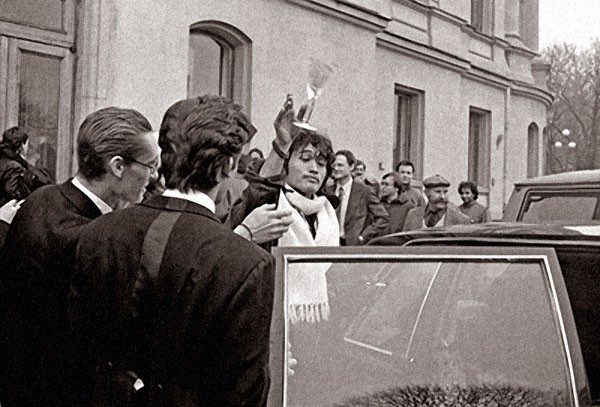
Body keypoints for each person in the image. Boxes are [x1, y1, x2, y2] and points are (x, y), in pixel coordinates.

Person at [71, 96, 274, 405]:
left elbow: (79, 350)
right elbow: (244, 391)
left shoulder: (101, 231)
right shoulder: (247, 263)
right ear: (228, 166)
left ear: (164, 158)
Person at [0, 107, 159, 406]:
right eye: (150, 165)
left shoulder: (40, 199)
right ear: (118, 166)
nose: (154, 176)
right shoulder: (98, 237)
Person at [157, 96, 293, 243]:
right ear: (226, 166)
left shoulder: (139, 219)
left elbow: (255, 198)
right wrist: (244, 235)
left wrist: (281, 145)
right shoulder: (210, 214)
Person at [326, 150, 388, 245]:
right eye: (334, 166)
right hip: (330, 244)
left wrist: (363, 236)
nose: (336, 168)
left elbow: (382, 218)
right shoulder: (327, 191)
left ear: (351, 167)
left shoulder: (364, 191)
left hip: (353, 245)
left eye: (340, 165)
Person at [0, 126, 52, 206]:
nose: (28, 149)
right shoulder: (13, 166)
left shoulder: (5, 160)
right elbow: (14, 196)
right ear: (21, 146)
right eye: (28, 145)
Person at [402, 173, 470, 231]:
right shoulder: (412, 215)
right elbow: (404, 240)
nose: (442, 197)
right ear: (427, 193)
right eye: (438, 192)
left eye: (445, 192)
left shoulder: (460, 219)